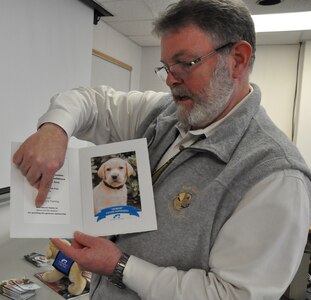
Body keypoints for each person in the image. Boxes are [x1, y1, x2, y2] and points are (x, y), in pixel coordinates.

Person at [13, 0, 311, 299]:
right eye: (167, 67)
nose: (171, 80)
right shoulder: (166, 114)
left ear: (237, 60)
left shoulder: (276, 176)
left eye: (186, 63)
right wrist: (55, 129)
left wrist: (120, 265)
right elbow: (93, 101)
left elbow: (232, 295)